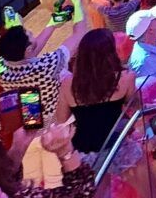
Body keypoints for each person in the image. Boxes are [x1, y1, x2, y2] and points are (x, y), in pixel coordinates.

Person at [0, 0, 89, 122]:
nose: (31, 32)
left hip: (32, 116)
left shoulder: (1, 68)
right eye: (29, 34)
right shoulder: (46, 67)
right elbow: (79, 34)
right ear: (27, 49)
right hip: (56, 118)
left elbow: (27, 53)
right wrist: (76, 2)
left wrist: (52, 24)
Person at [56, 28, 136, 160]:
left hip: (83, 151)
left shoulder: (67, 84)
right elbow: (133, 106)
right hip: (118, 147)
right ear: (111, 52)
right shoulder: (126, 78)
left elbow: (61, 119)